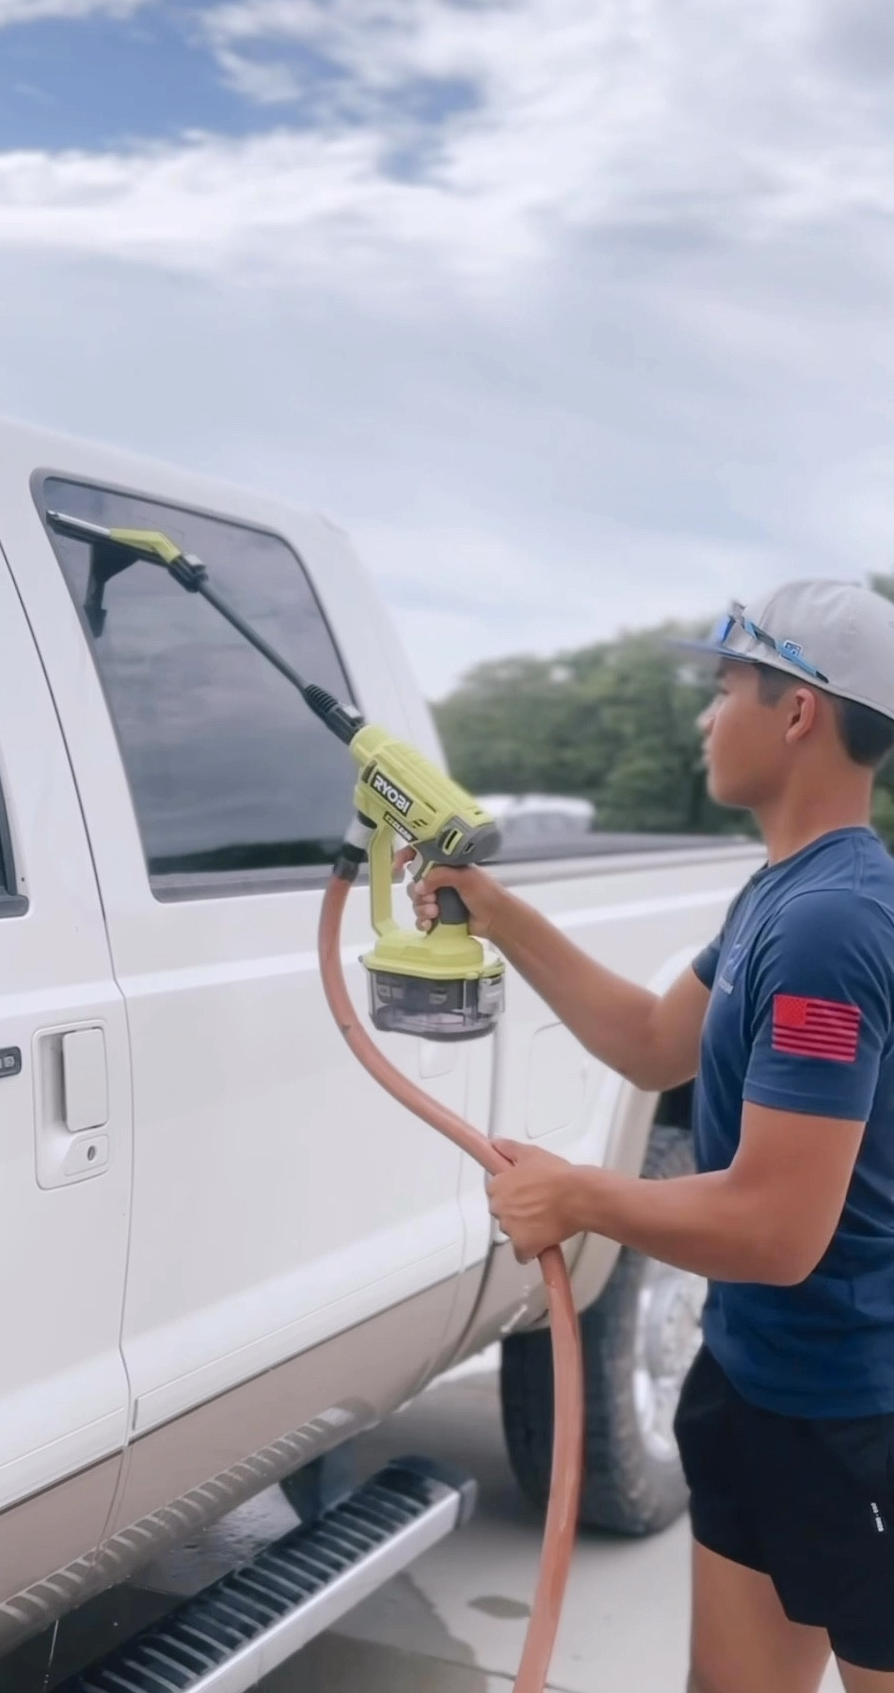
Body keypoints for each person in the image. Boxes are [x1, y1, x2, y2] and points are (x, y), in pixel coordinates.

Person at [409, 581, 894, 1693]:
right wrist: (496, 911)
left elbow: (778, 1227)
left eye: (724, 688)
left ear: (799, 710)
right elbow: (650, 1043)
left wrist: (582, 1198)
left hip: (857, 1417)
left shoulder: (833, 923)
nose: (704, 717)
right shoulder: (778, 895)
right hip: (753, 1381)